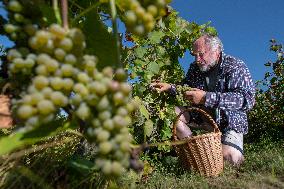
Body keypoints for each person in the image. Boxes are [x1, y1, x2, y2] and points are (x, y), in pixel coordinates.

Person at [150, 34, 256, 166]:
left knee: (228, 160)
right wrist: (170, 87)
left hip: (229, 121)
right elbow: (186, 89)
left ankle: (224, 150)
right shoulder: (195, 68)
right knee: (173, 113)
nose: (197, 59)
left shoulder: (235, 66)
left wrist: (206, 98)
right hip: (202, 117)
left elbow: (247, 100)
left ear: (216, 51)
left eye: (201, 54)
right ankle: (194, 151)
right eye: (194, 55)